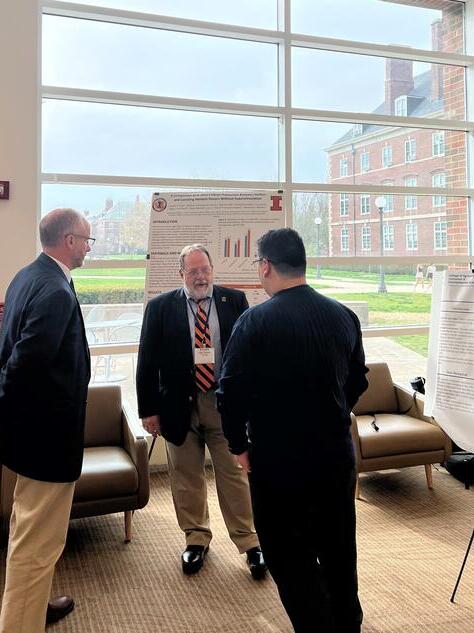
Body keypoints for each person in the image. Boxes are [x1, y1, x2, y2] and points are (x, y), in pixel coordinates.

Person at [217, 228, 369, 633]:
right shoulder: (343, 315)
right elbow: (357, 382)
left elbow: (230, 392)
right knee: (339, 550)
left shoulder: (253, 322)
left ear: (265, 266)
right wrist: (330, 412)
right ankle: (348, 624)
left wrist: (238, 445)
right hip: (336, 459)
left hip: (277, 463)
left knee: (288, 556)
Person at [136, 244, 266, 579]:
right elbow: (147, 361)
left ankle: (249, 542)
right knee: (186, 475)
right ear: (181, 273)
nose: (200, 276)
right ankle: (196, 537)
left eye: (205, 269)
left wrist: (251, 402)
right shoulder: (160, 307)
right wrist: (148, 410)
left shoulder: (233, 301)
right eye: (193, 271)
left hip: (222, 403)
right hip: (178, 406)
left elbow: (248, 356)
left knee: (234, 474)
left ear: (212, 269)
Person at [0, 209, 92, 632]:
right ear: (69, 241)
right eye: (87, 240)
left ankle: (35, 606)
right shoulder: (54, 289)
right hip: (46, 440)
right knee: (36, 545)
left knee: (28, 528)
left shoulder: (26, 276)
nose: (89, 248)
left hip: (24, 436)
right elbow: (25, 364)